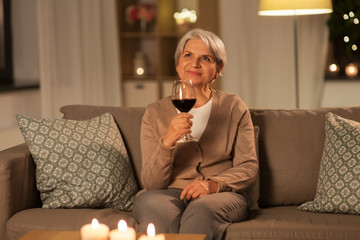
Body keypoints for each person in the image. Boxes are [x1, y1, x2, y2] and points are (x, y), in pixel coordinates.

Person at [133, 28, 259, 240]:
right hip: (166, 193)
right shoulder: (154, 112)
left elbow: (248, 167)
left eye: (206, 58)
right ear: (177, 63)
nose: (195, 64)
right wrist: (168, 140)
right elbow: (152, 183)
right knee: (155, 210)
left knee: (201, 212)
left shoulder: (233, 106)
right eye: (188, 55)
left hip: (219, 195)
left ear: (218, 69)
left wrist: (213, 184)